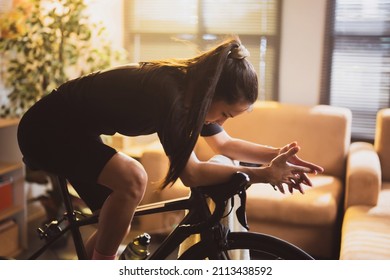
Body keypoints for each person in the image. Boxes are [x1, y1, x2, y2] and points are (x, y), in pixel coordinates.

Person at [17, 36, 323, 260]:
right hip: (47, 129)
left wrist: (276, 156)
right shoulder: (170, 95)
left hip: (77, 132)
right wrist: (264, 175)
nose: (221, 121)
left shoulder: (194, 95)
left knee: (117, 221)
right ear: (213, 93)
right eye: (225, 114)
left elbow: (225, 144)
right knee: (134, 178)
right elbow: (193, 174)